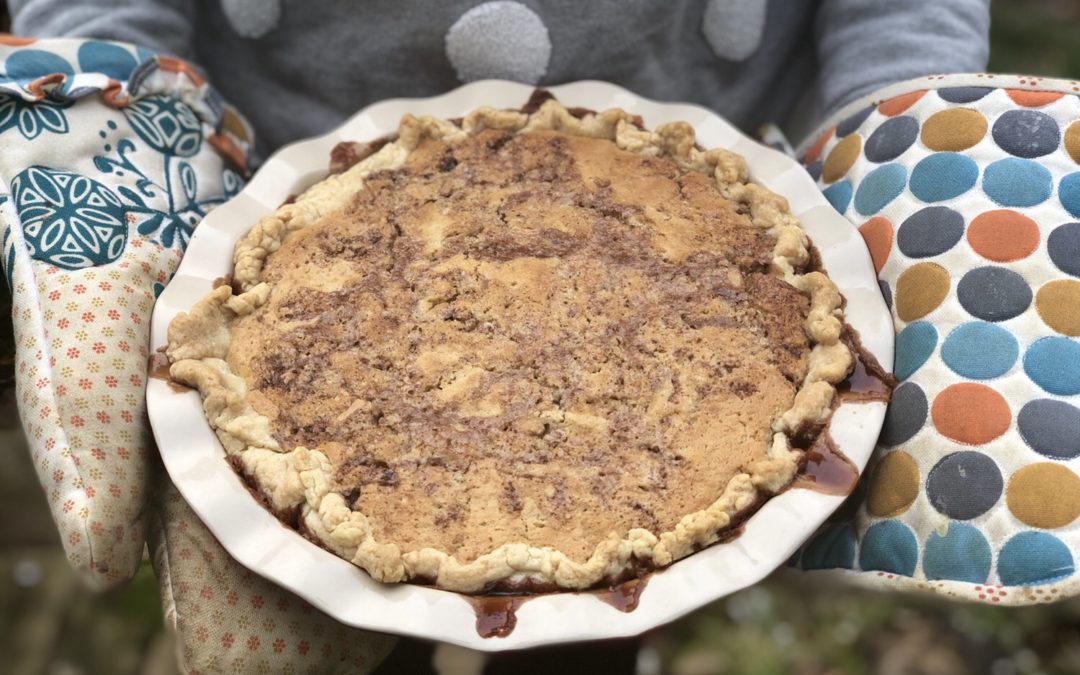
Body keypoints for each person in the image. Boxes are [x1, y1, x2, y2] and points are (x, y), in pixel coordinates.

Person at [4, 1, 1034, 673]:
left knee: (590, 642)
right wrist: (118, 94)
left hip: (718, 256)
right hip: (268, 194)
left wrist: (902, 117)